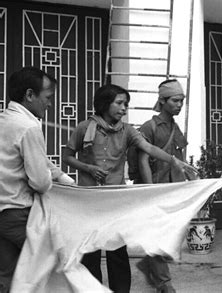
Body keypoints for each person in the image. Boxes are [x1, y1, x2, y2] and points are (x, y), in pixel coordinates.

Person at [62, 84, 196, 293]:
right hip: (89, 202)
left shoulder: (128, 131)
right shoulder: (83, 127)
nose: (124, 108)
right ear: (105, 104)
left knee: (117, 252)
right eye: (119, 103)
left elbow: (149, 148)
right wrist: (88, 167)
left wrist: (173, 161)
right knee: (90, 253)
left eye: (126, 104)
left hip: (116, 201)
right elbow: (67, 157)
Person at [0, 67, 74, 292]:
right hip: (19, 213)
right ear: (30, 95)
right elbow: (40, 181)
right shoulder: (29, 127)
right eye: (48, 98)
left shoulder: (5, 119)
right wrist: (60, 185)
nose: (50, 104)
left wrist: (62, 176)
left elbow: (38, 160)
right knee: (49, 267)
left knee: (8, 274)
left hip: (3, 212)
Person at [135, 79, 189, 293]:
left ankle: (149, 265)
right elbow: (142, 160)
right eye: (175, 100)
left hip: (172, 189)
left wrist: (187, 182)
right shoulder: (150, 127)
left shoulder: (176, 128)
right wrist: (150, 191)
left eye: (182, 100)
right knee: (157, 234)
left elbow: (180, 159)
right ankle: (164, 282)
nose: (179, 104)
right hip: (155, 188)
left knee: (168, 234)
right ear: (162, 101)